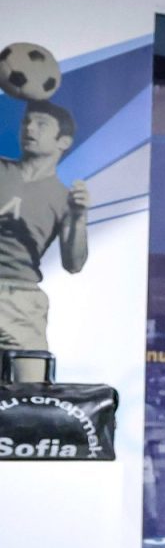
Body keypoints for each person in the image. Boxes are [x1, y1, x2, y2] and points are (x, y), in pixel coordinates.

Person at [0, 101, 89, 381]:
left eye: (41, 124)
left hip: (21, 298)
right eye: (26, 122)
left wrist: (79, 218)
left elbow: (74, 264)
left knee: (31, 393)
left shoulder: (63, 198)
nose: (29, 128)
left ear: (64, 141)